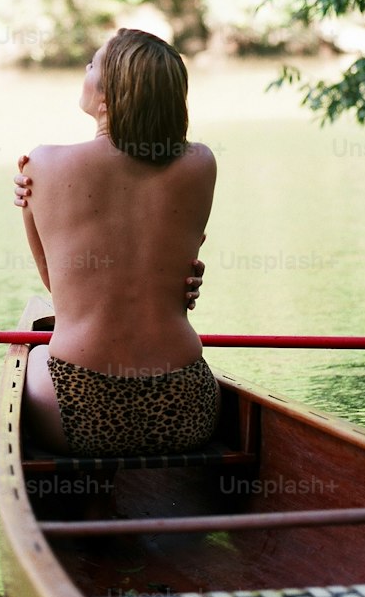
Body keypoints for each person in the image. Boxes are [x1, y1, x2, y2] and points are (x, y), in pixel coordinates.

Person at [12, 28, 219, 456]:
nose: (84, 69)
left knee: (27, 354)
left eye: (93, 64)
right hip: (185, 403)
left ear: (109, 98)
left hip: (79, 405)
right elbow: (178, 273)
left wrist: (30, 203)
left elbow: (58, 286)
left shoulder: (41, 164)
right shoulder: (201, 163)